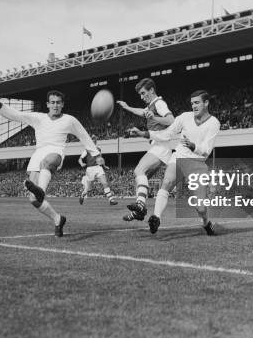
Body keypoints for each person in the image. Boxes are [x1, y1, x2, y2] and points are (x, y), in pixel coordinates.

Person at [0, 90, 103, 236]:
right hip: (38, 154)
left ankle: (41, 190)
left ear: (63, 104)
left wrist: (96, 154)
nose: (55, 105)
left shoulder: (70, 120)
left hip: (56, 152)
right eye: (53, 102)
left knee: (47, 163)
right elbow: (16, 115)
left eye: (58, 103)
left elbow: (84, 136)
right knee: (33, 199)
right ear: (48, 104)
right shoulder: (38, 118)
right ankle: (57, 219)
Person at [128, 90, 221, 235]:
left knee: (201, 207)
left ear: (206, 103)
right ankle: (156, 218)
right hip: (178, 157)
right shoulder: (184, 117)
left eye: (197, 103)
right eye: (192, 103)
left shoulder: (214, 123)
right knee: (167, 183)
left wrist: (193, 146)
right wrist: (144, 133)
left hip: (197, 164)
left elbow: (207, 150)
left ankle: (206, 223)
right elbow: (167, 134)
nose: (194, 106)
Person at [117, 78, 174, 222]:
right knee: (141, 180)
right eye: (140, 95)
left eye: (143, 93)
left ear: (152, 90)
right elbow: (143, 112)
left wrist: (153, 116)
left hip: (161, 146)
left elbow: (171, 120)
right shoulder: (151, 106)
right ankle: (139, 212)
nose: (142, 97)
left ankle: (140, 206)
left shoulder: (159, 103)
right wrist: (127, 107)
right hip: (159, 146)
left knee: (138, 171)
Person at [78, 135, 117, 205]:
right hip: (90, 169)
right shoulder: (87, 149)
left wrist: (104, 166)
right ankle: (82, 195)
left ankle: (111, 200)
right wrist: (81, 163)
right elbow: (80, 159)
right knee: (89, 188)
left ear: (96, 142)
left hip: (98, 167)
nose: (94, 141)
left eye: (95, 140)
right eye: (92, 140)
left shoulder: (98, 149)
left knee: (105, 183)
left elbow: (101, 159)